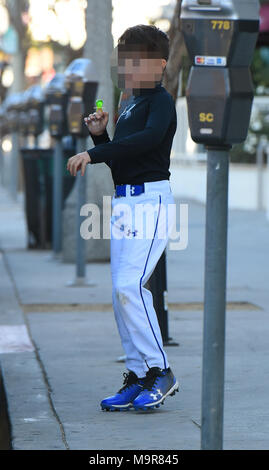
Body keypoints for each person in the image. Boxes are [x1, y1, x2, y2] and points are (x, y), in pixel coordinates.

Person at [67, 24, 179, 411]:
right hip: (126, 204)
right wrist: (102, 139)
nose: (128, 67)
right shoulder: (128, 101)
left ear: (160, 64)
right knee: (121, 295)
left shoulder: (160, 101)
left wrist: (94, 153)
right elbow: (125, 159)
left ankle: (160, 370)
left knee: (131, 287)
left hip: (152, 203)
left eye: (137, 60)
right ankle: (138, 374)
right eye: (125, 60)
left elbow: (147, 143)